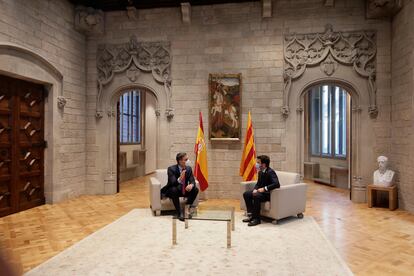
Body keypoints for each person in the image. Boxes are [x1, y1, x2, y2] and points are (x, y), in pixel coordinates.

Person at [242, 155, 280, 226]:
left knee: (256, 196)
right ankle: (251, 216)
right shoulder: (260, 172)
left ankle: (257, 219)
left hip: (268, 194)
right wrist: (255, 189)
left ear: (264, 164)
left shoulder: (270, 172)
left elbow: (277, 184)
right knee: (246, 194)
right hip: (260, 193)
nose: (256, 164)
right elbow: (258, 183)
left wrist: (264, 188)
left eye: (258, 162)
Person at [160, 152, 199, 221]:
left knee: (195, 189)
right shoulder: (171, 169)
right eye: (186, 159)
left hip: (183, 189)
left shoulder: (189, 168)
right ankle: (179, 212)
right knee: (174, 189)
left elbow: (192, 180)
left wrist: (191, 185)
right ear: (180, 161)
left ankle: (186, 208)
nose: (188, 161)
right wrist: (180, 179)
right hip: (172, 190)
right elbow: (172, 183)